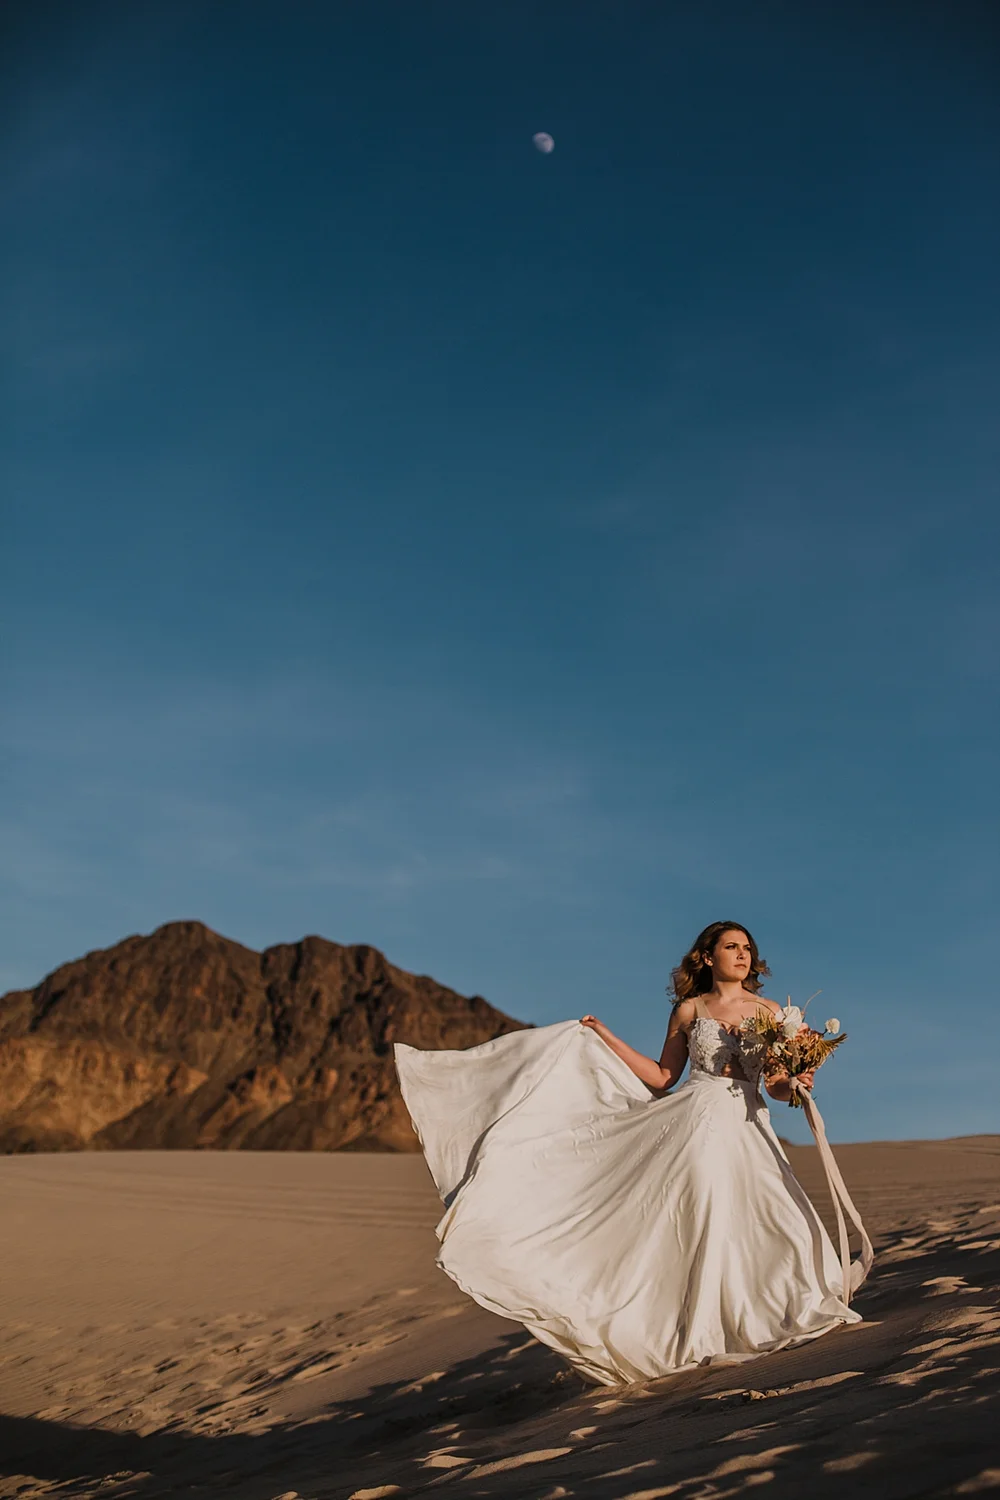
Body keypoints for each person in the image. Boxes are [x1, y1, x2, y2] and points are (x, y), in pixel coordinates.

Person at [394, 921, 866, 1386]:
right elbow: (663, 1077)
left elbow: (776, 1086)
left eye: (747, 948)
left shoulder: (770, 1012)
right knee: (707, 1219)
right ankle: (703, 1330)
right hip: (697, 1124)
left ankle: (779, 1311)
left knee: (773, 1214)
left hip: (748, 1123)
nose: (742, 954)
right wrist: (605, 1036)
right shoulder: (689, 1010)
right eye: (730, 947)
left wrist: (800, 1082)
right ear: (707, 957)